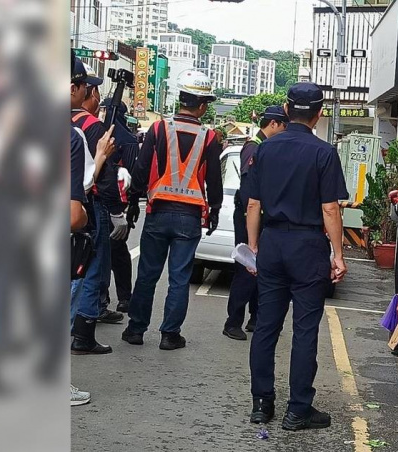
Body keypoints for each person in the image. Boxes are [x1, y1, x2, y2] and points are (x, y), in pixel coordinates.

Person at [247, 83, 349, 431]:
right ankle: (298, 410)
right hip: (307, 246)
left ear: (287, 111)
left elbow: (253, 204)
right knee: (305, 330)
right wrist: (337, 254)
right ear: (319, 115)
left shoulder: (265, 149)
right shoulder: (324, 153)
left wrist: (254, 246)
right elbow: (330, 209)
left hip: (272, 242)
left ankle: (261, 404)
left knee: (266, 327)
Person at [122, 70, 223, 351]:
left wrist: (133, 201)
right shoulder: (210, 137)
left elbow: (141, 168)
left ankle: (135, 329)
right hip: (189, 216)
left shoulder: (158, 129)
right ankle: (170, 334)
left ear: (181, 99)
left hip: (158, 210)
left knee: (147, 274)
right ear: (202, 105)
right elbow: (214, 178)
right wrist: (214, 209)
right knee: (179, 278)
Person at [71, 55, 127, 354]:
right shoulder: (92, 128)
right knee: (91, 269)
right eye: (86, 88)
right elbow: (103, 178)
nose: (90, 94)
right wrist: (116, 212)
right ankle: (83, 332)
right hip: (87, 206)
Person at [223, 106, 289, 341]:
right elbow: (251, 195)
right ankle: (233, 322)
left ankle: (255, 318)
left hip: (260, 216)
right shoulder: (254, 147)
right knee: (246, 268)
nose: (284, 132)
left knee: (260, 270)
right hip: (249, 217)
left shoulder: (266, 148)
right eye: (284, 127)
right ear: (273, 124)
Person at [98, 97, 141, 314]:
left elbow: (134, 174)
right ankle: (107, 298)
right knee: (111, 253)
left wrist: (132, 205)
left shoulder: (127, 141)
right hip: (108, 201)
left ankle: (121, 297)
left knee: (115, 252)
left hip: (118, 202)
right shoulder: (101, 133)